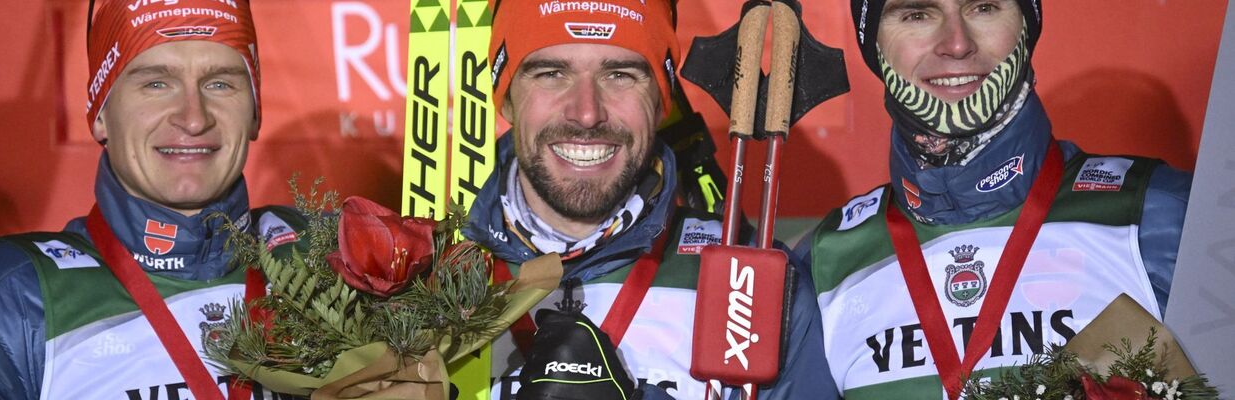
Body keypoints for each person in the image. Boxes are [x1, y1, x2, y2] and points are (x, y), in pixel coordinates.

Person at [783, 0, 1192, 398]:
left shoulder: (1157, 216)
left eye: (984, 7)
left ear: (1025, 28)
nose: (957, 43)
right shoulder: (826, 261)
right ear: (874, 45)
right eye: (916, 14)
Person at [462, 1, 837, 399]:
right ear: (504, 98)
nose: (587, 113)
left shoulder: (755, 284)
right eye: (552, 73)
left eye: (620, 75)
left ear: (661, 101)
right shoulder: (425, 282)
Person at [0, 1, 306, 398]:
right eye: (156, 83)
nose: (194, 118)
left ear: (254, 112)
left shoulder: (338, 257)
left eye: (220, 83)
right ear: (99, 114)